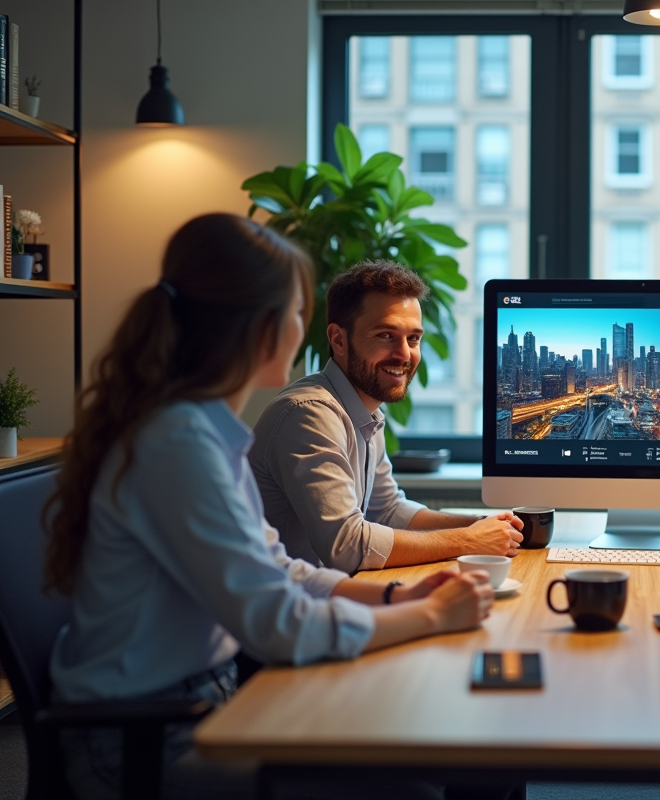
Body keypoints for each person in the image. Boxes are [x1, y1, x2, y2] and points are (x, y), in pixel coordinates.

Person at [45, 215, 494, 800]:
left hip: (206, 702)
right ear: (261, 327)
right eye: (297, 311)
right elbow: (276, 622)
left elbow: (281, 571)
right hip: (146, 740)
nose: (301, 328)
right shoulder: (180, 444)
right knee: (415, 786)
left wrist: (397, 598)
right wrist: (430, 617)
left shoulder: (204, 431)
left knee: (450, 753)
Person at [250, 261, 523, 573]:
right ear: (338, 340)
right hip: (290, 600)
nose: (405, 354)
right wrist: (468, 540)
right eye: (385, 335)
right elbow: (346, 545)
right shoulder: (309, 413)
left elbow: (387, 511)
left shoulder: (364, 411)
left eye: (413, 339)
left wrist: (481, 524)